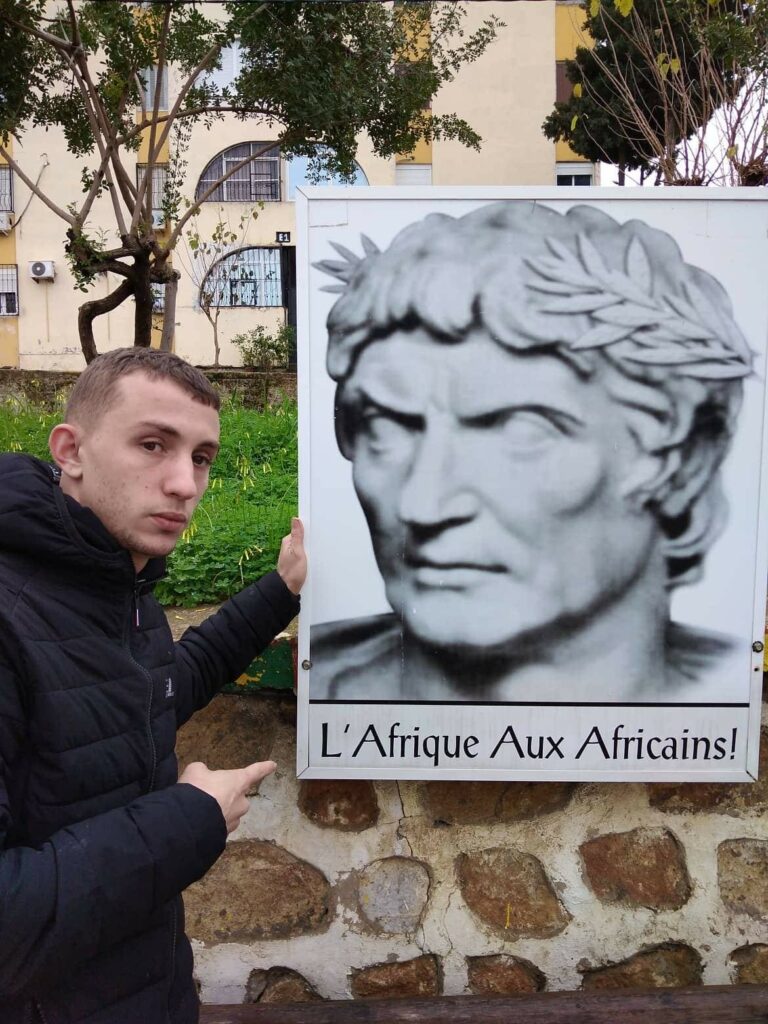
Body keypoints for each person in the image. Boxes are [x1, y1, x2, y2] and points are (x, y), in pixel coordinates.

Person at [310, 200, 752, 703]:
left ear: (685, 464)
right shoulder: (323, 679)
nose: (424, 505)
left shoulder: (731, 688)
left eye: (521, 430)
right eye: (386, 426)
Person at [0, 347, 306, 1024]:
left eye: (202, 457)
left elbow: (157, 689)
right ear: (70, 451)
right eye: (152, 445)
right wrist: (190, 818)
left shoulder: (115, 584)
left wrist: (281, 589)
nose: (184, 483)